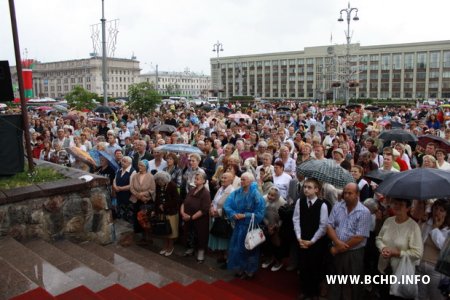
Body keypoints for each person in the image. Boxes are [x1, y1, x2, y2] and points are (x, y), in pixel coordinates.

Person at [327, 183, 372, 300]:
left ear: (357, 194)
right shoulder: (337, 206)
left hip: (353, 253)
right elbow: (329, 225)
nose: (346, 195)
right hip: (336, 247)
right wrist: (336, 242)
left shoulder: (364, 212)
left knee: (353, 283)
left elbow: (359, 237)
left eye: (350, 193)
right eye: (345, 193)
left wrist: (338, 248)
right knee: (335, 279)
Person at [376, 198, 423, 299]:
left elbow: (418, 253)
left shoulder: (413, 227)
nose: (396, 206)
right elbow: (378, 239)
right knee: (383, 294)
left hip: (400, 273)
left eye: (401, 204)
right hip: (383, 269)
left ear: (408, 208)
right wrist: (383, 248)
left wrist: (398, 253)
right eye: (395, 203)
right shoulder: (389, 221)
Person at [224, 172, 266, 279]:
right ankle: (239, 268)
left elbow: (260, 213)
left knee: (250, 249)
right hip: (239, 226)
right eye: (241, 179)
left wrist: (245, 215)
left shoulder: (256, 194)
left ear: (250, 181)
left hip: (250, 227)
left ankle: (249, 270)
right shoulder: (237, 192)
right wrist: (233, 214)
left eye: (244, 179)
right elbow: (227, 204)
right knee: (238, 248)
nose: (241, 181)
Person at [293, 178, 330, 300]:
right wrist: (299, 238)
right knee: (303, 266)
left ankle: (313, 292)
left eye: (309, 187)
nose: (306, 189)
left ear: (316, 189)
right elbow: (296, 219)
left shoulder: (322, 205)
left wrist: (312, 240)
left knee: (314, 267)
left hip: (316, 242)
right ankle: (304, 290)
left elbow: (323, 226)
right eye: (305, 187)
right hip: (302, 239)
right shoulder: (300, 202)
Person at [417, 199, 450, 300]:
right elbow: (420, 241)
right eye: (436, 209)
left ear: (447, 213)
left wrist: (436, 228)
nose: (437, 212)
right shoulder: (428, 223)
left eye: (441, 210)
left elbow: (442, 246)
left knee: (435, 297)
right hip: (421, 265)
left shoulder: (448, 229)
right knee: (420, 296)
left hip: (436, 270)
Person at [180, 172, 211, 263]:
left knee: (200, 236)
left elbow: (204, 209)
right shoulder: (192, 190)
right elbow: (184, 202)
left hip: (199, 220)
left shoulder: (206, 193)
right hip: (188, 218)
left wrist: (191, 217)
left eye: (198, 179)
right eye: (195, 178)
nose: (195, 180)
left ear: (203, 181)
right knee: (190, 234)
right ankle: (191, 249)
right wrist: (182, 213)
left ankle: (200, 254)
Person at [208, 172, 235, 268]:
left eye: (225, 178)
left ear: (231, 180)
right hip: (215, 217)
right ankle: (222, 256)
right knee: (219, 238)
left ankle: (228, 260)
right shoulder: (220, 188)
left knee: (225, 240)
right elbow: (214, 201)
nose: (222, 179)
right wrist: (211, 208)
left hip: (223, 219)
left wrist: (218, 212)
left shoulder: (232, 191)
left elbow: (231, 207)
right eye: (222, 177)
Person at [154, 171, 180, 257]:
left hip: (171, 212)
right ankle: (165, 246)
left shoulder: (172, 185)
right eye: (157, 181)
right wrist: (157, 209)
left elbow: (176, 200)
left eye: (159, 181)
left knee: (171, 230)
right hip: (161, 212)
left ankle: (170, 246)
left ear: (164, 180)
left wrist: (165, 206)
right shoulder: (158, 185)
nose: (158, 183)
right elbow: (157, 198)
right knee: (164, 230)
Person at [129, 159, 156, 244]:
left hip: (146, 201)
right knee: (138, 219)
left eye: (142, 166)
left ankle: (149, 237)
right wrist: (138, 195)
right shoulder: (135, 176)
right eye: (139, 165)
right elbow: (131, 187)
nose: (140, 167)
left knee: (146, 219)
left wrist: (143, 195)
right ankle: (143, 237)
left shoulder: (151, 176)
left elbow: (152, 189)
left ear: (146, 167)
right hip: (137, 200)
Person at [261, 186, 287, 272]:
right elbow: (262, 213)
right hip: (267, 224)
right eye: (269, 194)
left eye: (273, 195)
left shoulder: (282, 202)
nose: (270, 197)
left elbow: (283, 218)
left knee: (276, 244)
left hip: (278, 226)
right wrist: (268, 224)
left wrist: (276, 226)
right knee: (266, 243)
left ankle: (278, 261)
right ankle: (269, 258)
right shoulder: (264, 199)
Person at [113, 156, 136, 223]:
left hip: (127, 195)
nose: (122, 162)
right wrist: (115, 187)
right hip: (119, 194)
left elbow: (131, 185)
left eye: (124, 161)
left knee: (127, 212)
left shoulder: (133, 171)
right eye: (122, 161)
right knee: (120, 210)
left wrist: (120, 188)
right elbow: (114, 180)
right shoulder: (119, 170)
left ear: (129, 163)